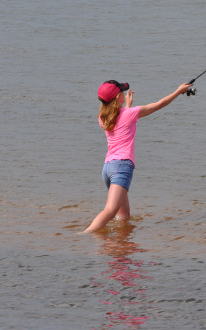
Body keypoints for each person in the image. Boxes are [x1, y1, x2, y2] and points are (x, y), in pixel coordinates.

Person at [82, 79, 193, 233]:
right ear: (117, 98)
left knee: (124, 215)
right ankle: (83, 235)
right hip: (122, 168)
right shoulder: (130, 114)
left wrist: (126, 106)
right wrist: (178, 91)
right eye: (121, 92)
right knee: (110, 211)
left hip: (108, 168)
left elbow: (120, 120)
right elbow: (159, 104)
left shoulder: (102, 117)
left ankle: (120, 245)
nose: (123, 93)